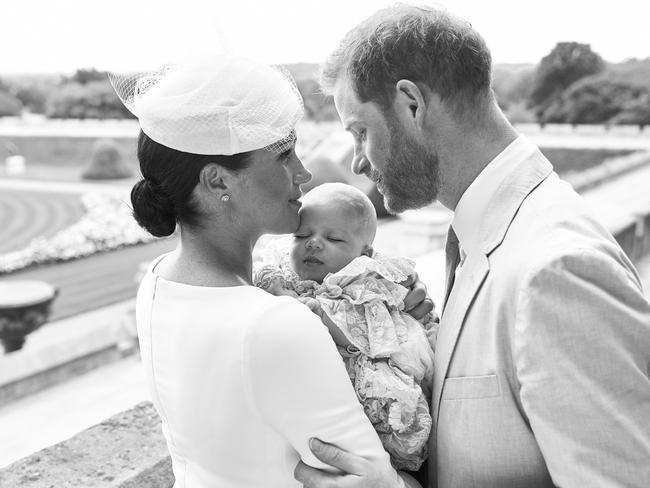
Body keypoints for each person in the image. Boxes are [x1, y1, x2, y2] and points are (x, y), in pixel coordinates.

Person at [294, 5, 650, 488]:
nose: (356, 162)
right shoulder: (485, 232)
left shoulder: (558, 269)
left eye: (360, 131)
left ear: (411, 105)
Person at [110, 55, 431, 487]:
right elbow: (379, 478)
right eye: (284, 155)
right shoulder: (276, 323)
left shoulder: (158, 281)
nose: (303, 172)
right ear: (218, 181)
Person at [254, 182, 437, 471]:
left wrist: (312, 311)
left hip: (365, 378)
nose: (313, 243)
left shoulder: (363, 283)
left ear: (365, 253)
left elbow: (361, 330)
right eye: (301, 235)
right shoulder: (280, 270)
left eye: (334, 239)